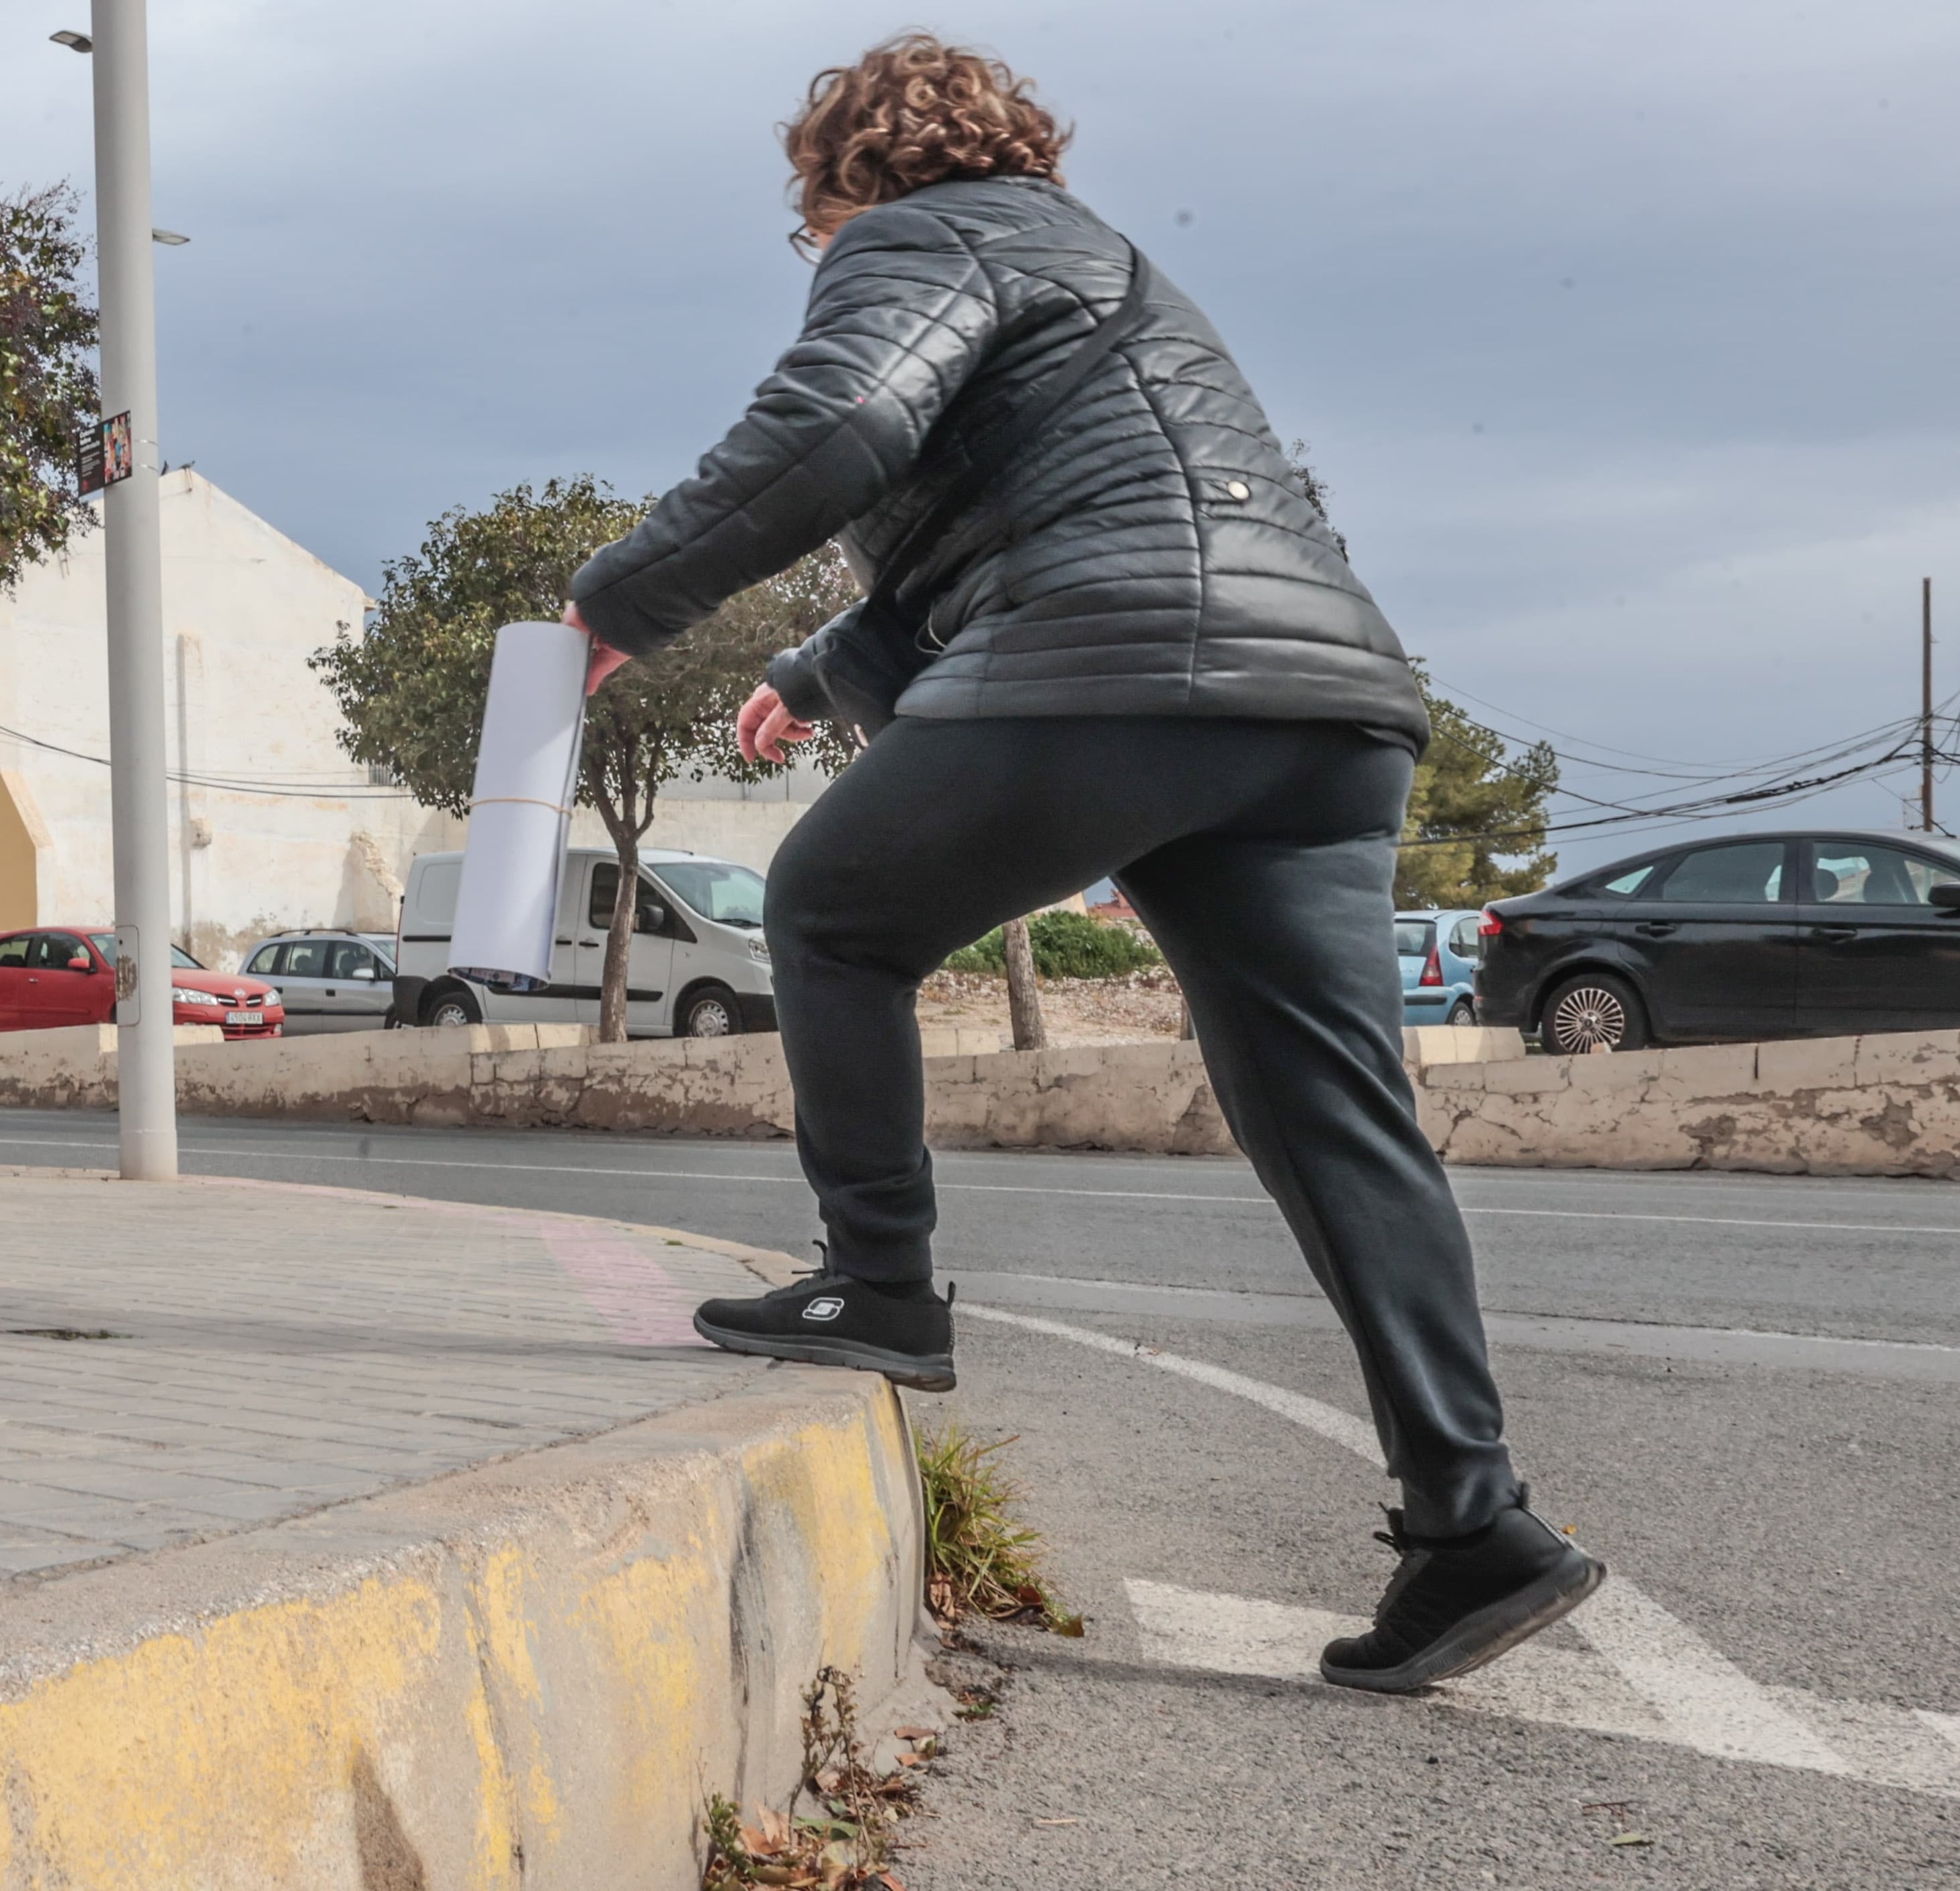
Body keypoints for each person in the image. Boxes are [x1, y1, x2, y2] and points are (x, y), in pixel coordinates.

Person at [559, 34, 1601, 1693]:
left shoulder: (921, 234)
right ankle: (1471, 1525)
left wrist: (617, 603)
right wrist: (810, 676)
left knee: (829, 911)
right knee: (1332, 1113)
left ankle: (881, 1287)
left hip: (1137, 666)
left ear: (846, 176)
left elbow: (837, 423)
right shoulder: (1099, 264)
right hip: (1313, 703)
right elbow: (1028, 519)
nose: (812, 248)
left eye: (807, 215)